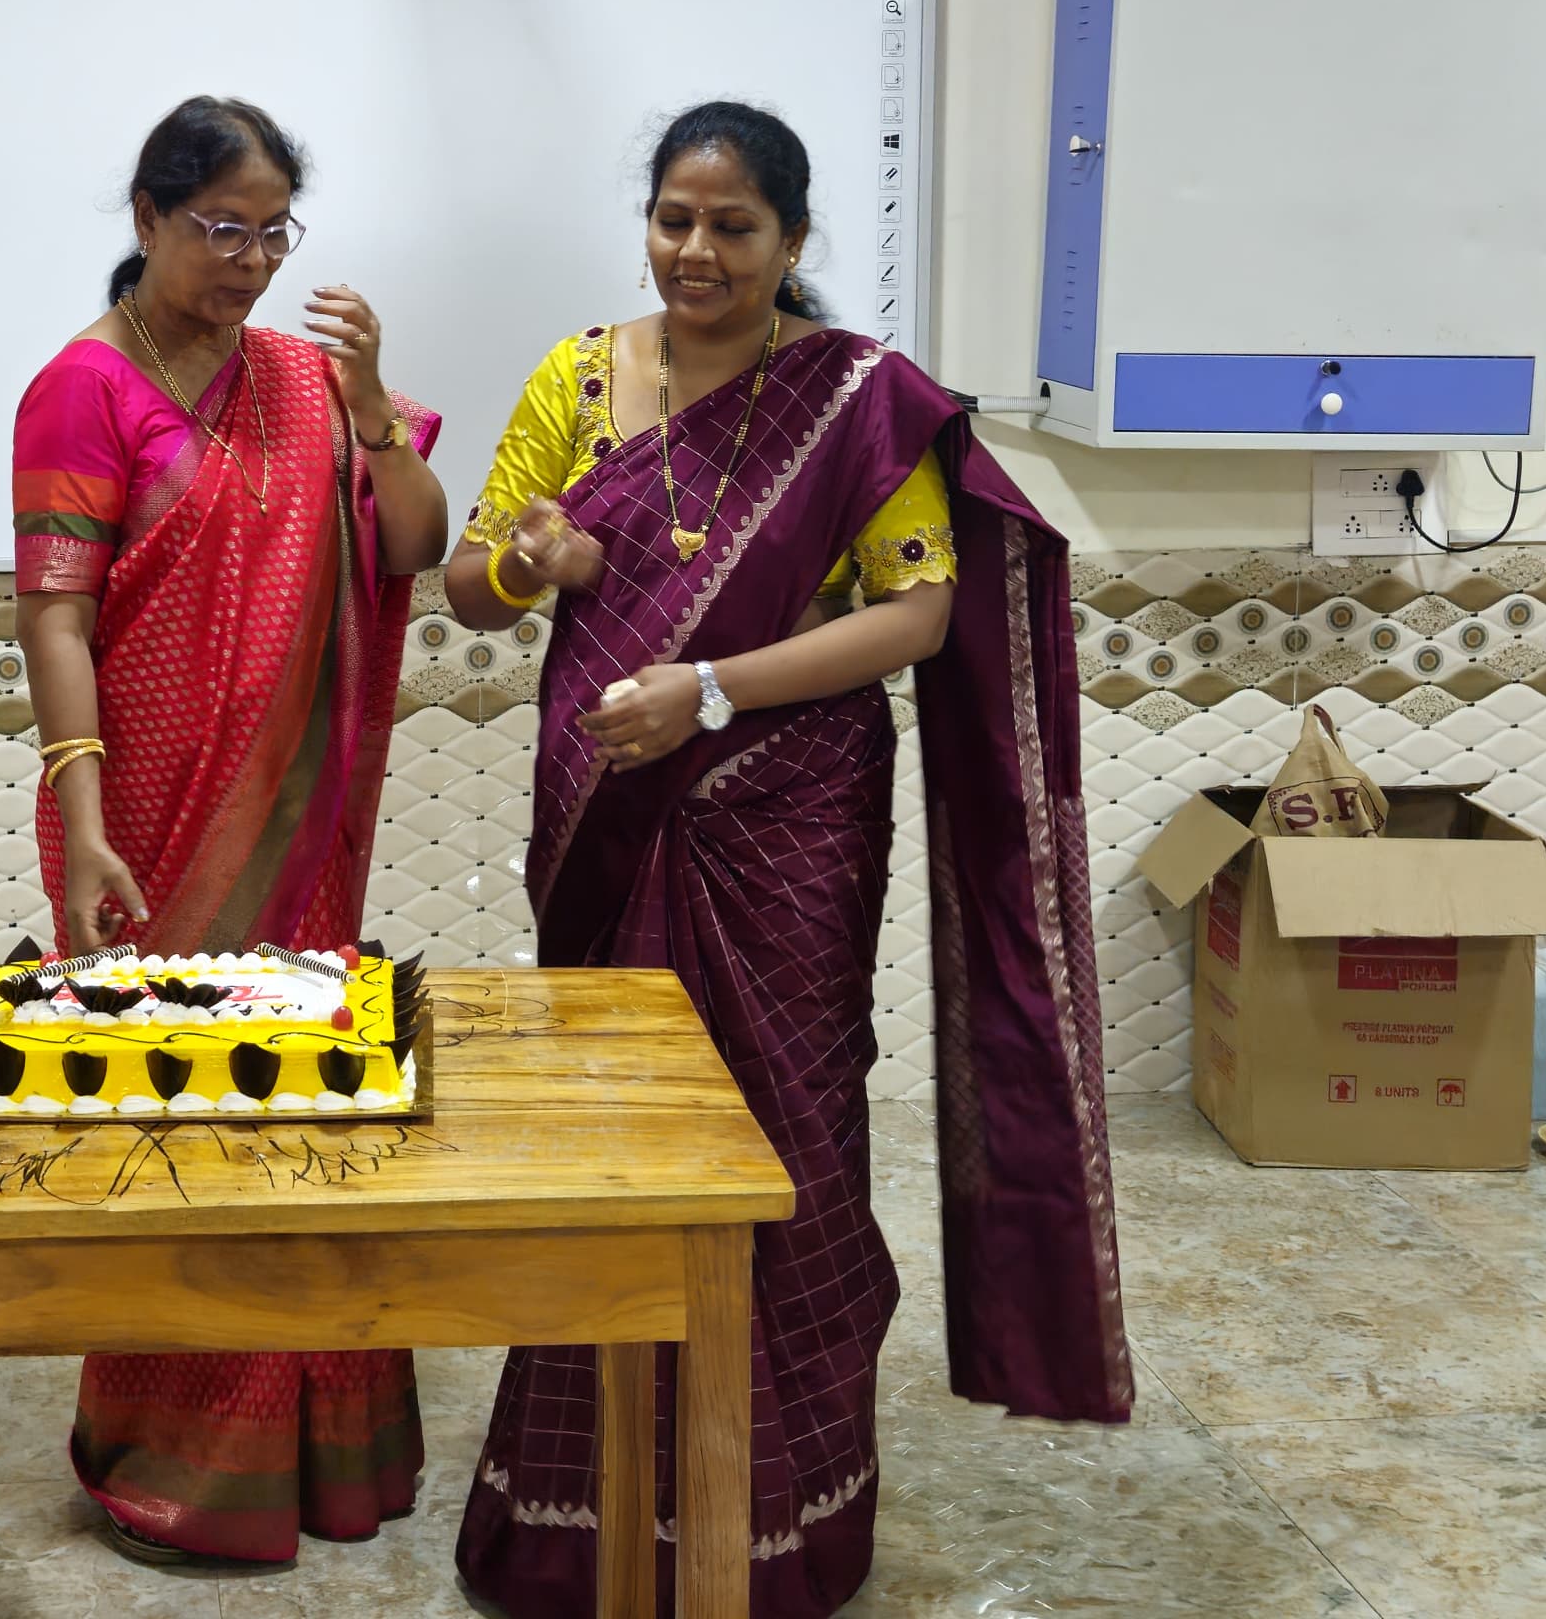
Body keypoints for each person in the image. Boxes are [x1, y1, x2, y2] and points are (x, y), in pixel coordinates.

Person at [442, 101, 1129, 1619]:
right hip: (608, 803)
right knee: (609, 1145)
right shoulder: (577, 376)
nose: (696, 252)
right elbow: (471, 582)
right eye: (673, 220)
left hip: (788, 810)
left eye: (733, 226)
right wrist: (530, 561)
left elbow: (918, 613)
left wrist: (712, 690)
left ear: (793, 238)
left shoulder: (856, 400)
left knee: (787, 1136)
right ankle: (572, 1518)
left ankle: (776, 1516)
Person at [10, 95, 453, 1571]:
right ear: (146, 216)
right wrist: (83, 824)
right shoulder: (82, 387)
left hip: (298, 820)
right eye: (220, 230)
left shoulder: (307, 378)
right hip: (145, 819)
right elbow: (56, 618)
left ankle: (321, 1442)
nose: (251, 263)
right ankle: (176, 1461)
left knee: (301, 1107)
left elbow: (414, 545)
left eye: (273, 234)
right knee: (174, 1119)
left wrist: (375, 407)